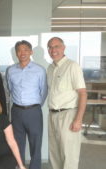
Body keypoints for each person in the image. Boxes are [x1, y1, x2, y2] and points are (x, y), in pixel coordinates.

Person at [6, 40, 47, 169]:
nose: (22, 52)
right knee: (18, 143)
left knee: (35, 143)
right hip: (17, 111)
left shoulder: (39, 70)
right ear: (16, 53)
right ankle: (20, 166)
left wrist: (34, 106)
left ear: (31, 52)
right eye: (19, 50)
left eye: (25, 50)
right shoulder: (11, 70)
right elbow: (10, 89)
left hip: (33, 111)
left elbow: (44, 91)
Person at [47, 37, 87, 169]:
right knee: (55, 154)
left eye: (56, 46)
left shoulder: (72, 66)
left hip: (68, 115)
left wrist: (78, 119)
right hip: (52, 115)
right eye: (50, 47)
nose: (53, 50)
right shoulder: (50, 68)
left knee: (69, 155)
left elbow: (82, 93)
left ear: (63, 48)